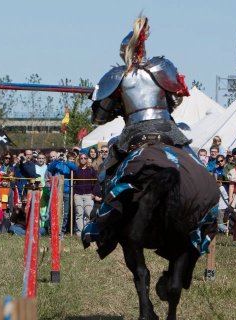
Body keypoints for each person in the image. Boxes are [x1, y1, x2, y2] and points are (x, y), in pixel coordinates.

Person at [88, 15, 191, 248]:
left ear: (123, 52)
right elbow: (175, 101)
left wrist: (116, 106)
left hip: (135, 132)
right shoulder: (162, 67)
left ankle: (102, 226)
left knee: (106, 171)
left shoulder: (118, 76)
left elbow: (98, 118)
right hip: (168, 129)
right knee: (193, 160)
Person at [47, 151, 78, 237]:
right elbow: (49, 169)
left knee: (66, 213)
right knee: (54, 211)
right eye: (60, 154)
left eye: (62, 155)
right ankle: (53, 231)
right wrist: (56, 160)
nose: (61, 156)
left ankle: (62, 231)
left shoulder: (68, 163)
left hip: (67, 191)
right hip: (56, 190)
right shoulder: (56, 163)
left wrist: (66, 161)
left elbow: (75, 169)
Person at [73, 152, 97, 236]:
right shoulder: (76, 170)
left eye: (85, 158)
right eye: (81, 158)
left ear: (87, 160)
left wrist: (94, 193)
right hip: (78, 194)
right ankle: (79, 232)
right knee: (79, 213)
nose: (83, 160)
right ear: (79, 160)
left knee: (88, 213)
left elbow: (96, 182)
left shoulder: (91, 170)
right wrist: (74, 193)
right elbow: (73, 182)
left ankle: (87, 231)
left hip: (88, 195)